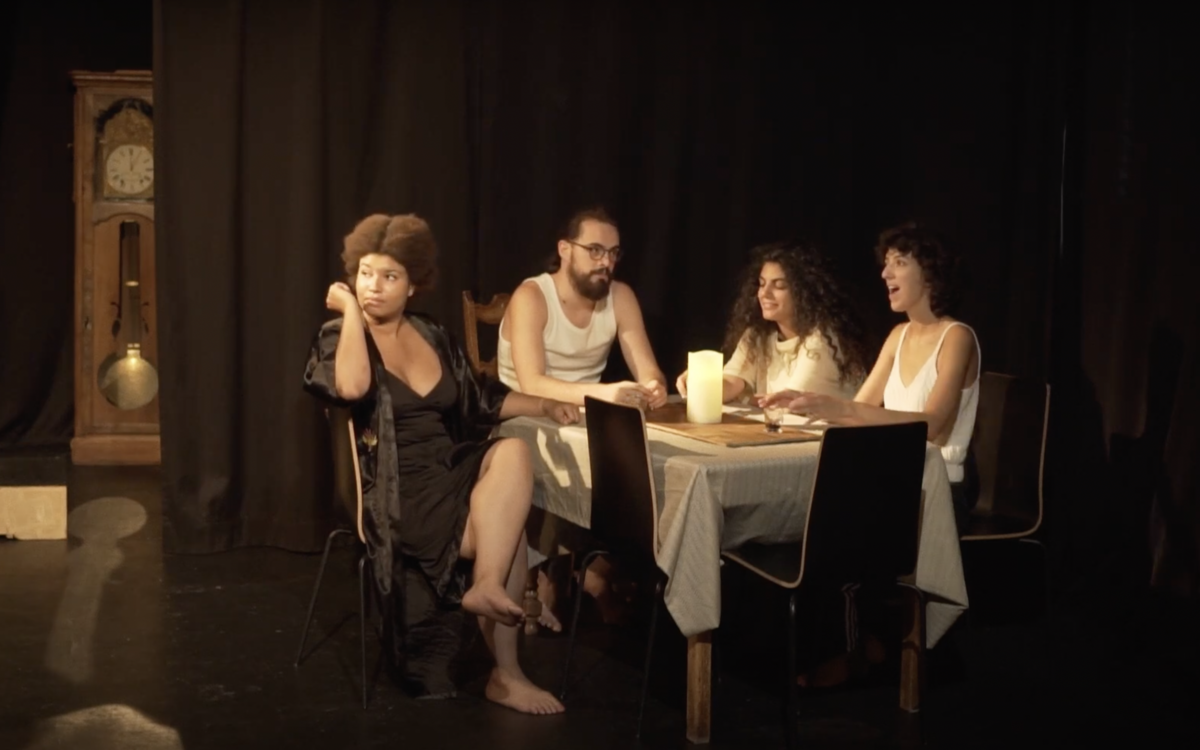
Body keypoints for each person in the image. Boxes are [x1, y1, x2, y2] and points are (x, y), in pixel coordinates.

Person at [303, 213, 578, 715]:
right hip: (395, 490)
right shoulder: (336, 337)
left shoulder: (431, 333)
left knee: (513, 450)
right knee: (509, 532)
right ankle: (507, 675)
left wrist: (544, 404)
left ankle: (487, 588)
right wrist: (351, 316)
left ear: (412, 285)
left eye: (389, 276)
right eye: (365, 273)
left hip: (448, 471)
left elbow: (480, 399)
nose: (373, 286)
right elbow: (352, 387)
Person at [759, 221, 980, 688]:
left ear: (930, 273)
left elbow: (932, 425)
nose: (885, 273)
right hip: (894, 481)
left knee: (841, 531)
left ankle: (863, 650)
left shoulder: (957, 337)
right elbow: (860, 408)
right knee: (815, 520)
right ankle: (853, 646)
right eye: (886, 263)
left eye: (899, 262)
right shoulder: (898, 336)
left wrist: (839, 408)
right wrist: (812, 404)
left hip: (940, 491)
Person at [496, 206, 668, 410]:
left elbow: (649, 372)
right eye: (595, 250)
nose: (606, 262)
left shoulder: (621, 297)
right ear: (565, 250)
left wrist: (654, 387)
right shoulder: (531, 297)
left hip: (586, 415)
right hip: (527, 415)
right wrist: (605, 394)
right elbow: (532, 385)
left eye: (613, 253)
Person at [675, 242, 871, 404]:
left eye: (779, 286)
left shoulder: (823, 339)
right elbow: (732, 383)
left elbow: (786, 403)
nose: (764, 293)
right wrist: (701, 381)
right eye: (762, 284)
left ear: (804, 293)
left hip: (824, 437)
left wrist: (745, 398)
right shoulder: (757, 336)